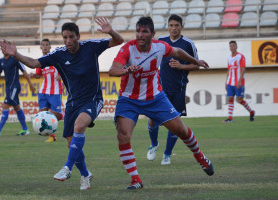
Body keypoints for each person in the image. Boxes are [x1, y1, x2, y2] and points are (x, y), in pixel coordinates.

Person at [0, 17, 124, 190]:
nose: (68, 41)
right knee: (71, 142)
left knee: (80, 126)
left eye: (71, 37)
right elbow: (35, 63)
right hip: (73, 103)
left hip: (93, 99)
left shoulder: (91, 47)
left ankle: (67, 167)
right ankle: (85, 174)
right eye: (65, 37)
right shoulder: (58, 54)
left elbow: (118, 41)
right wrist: (16, 54)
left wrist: (110, 30)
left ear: (78, 36)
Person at [109, 16, 214, 190]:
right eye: (138, 31)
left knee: (180, 130)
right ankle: (135, 179)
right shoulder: (128, 49)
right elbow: (113, 70)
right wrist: (126, 70)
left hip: (155, 98)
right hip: (129, 99)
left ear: (153, 34)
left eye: (145, 32)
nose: (140, 35)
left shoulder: (159, 46)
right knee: (123, 134)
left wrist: (197, 61)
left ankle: (201, 158)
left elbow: (178, 52)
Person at [146, 14, 203, 165]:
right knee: (152, 119)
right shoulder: (161, 41)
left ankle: (167, 154)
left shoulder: (188, 44)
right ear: (168, 26)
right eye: (171, 25)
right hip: (160, 89)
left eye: (176, 25)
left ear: (181, 27)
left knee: (176, 125)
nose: (173, 28)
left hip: (178, 89)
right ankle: (154, 144)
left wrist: (181, 66)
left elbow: (197, 65)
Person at [0, 46, 36, 136]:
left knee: (6, 104)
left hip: (15, 87)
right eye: (2, 48)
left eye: (5, 47)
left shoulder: (15, 59)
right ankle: (25, 130)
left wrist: (30, 84)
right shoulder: (1, 61)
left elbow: (24, 72)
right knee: (16, 107)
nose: (3, 49)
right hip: (8, 88)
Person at [29, 38, 64, 143]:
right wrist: (34, 75)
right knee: (43, 116)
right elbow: (39, 74)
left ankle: (63, 114)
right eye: (43, 45)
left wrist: (61, 76)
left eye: (46, 45)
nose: (44, 46)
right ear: (40, 47)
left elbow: (65, 68)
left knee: (55, 115)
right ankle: (52, 136)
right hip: (43, 91)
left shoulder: (55, 58)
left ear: (50, 47)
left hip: (55, 91)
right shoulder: (39, 61)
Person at [222, 41, 255, 123]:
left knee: (240, 100)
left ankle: (251, 112)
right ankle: (230, 118)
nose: (232, 47)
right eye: (230, 46)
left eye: (233, 45)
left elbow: (243, 69)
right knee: (230, 98)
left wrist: (240, 81)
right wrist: (226, 82)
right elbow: (229, 70)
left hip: (238, 82)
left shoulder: (240, 56)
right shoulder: (229, 58)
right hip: (230, 82)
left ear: (236, 47)